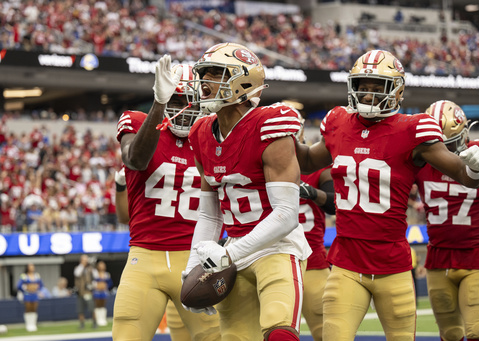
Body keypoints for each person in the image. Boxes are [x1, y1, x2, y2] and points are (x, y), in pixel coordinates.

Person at [294, 49, 479, 340]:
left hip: (392, 265)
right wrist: (281, 137)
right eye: (363, 86)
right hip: (346, 260)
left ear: (396, 91)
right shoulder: (337, 122)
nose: (369, 95)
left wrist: (474, 169)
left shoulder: (413, 129)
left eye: (378, 88)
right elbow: (309, 161)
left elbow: (463, 176)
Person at [182, 42, 312, 341]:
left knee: (279, 328)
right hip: (233, 248)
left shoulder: (269, 123)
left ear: (242, 81)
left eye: (214, 74)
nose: (204, 82)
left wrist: (226, 254)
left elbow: (286, 214)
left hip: (277, 246)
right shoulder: (201, 132)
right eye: (204, 74)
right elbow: (209, 214)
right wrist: (193, 266)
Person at [112, 56, 220, 341]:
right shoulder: (138, 122)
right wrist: (159, 104)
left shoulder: (213, 135)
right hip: (145, 257)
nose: (183, 111)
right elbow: (135, 159)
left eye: (189, 102)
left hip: (197, 258)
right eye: (175, 101)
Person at [415, 100, 479, 341]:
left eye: (448, 144)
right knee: (450, 335)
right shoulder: (419, 158)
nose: (442, 153)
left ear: (464, 133)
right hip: (437, 259)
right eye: (435, 145)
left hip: (476, 256)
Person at [113, 165, 198, 340]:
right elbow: (124, 217)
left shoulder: (205, 143)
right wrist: (121, 186)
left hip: (194, 257)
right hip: (150, 254)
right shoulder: (144, 148)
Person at [295, 117, 335, 341]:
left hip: (313, 263)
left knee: (325, 332)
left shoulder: (319, 168)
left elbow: (334, 204)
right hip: (275, 261)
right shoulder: (260, 167)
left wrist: (312, 192)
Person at [17, 263, 44, 332]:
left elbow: (41, 285)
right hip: (27, 294)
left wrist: (37, 289)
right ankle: (28, 324)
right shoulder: (24, 276)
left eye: (33, 266)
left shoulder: (37, 275)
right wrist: (25, 289)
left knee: (34, 309)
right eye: (30, 266)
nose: (32, 267)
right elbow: (19, 285)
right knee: (28, 308)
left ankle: (33, 324)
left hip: (34, 294)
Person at [74, 254, 96, 329]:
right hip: (80, 292)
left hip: (88, 292)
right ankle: (82, 324)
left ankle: (94, 322)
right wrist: (83, 265)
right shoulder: (78, 268)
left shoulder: (90, 268)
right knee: (80, 309)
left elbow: (95, 276)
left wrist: (91, 266)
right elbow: (77, 273)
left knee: (92, 308)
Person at [92, 260, 113, 327]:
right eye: (100, 265)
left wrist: (105, 286)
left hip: (104, 292)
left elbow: (110, 283)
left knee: (103, 305)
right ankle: (98, 320)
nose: (102, 266)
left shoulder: (107, 274)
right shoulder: (95, 273)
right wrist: (97, 286)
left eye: (103, 265)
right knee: (97, 305)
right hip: (97, 292)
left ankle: (103, 319)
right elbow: (92, 281)